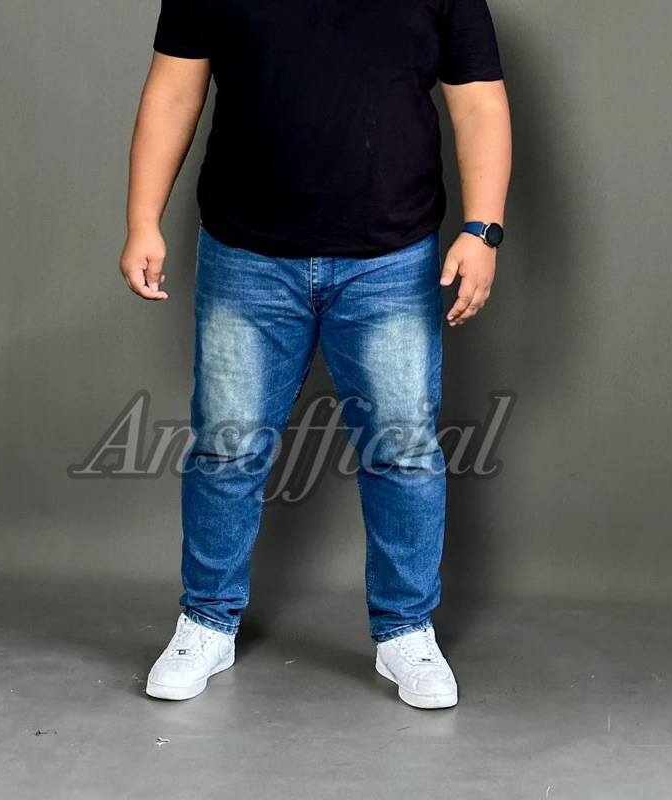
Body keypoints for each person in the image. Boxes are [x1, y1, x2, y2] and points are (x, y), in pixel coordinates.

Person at [119, 0, 512, 709]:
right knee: (226, 446)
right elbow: (174, 89)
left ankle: (406, 631)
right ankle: (206, 622)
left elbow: (479, 101)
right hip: (246, 253)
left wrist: (483, 229)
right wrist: (142, 219)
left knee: (403, 449)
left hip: (392, 256)